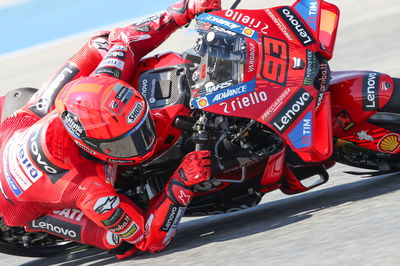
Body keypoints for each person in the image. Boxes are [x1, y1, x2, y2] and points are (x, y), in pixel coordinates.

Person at [0, 0, 221, 259]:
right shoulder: (89, 190)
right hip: (18, 202)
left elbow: (126, 39)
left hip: (20, 126)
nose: (145, 141)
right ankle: (39, 222)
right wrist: (180, 182)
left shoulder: (102, 80)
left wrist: (186, 9)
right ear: (92, 145)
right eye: (126, 143)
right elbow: (150, 239)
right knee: (120, 242)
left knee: (101, 44)